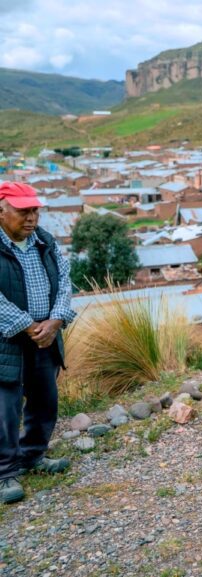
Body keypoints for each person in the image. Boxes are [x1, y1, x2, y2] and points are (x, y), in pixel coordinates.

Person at [0, 182, 76, 505]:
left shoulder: (45, 241)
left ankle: (34, 455)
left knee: (45, 399)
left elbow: (64, 281)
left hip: (46, 336)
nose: (31, 218)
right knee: (6, 408)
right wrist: (28, 325)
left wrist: (56, 321)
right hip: (9, 340)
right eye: (23, 211)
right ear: (2, 210)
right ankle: (5, 473)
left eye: (35, 210)